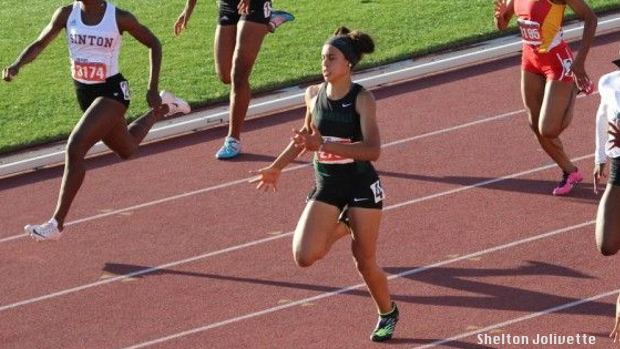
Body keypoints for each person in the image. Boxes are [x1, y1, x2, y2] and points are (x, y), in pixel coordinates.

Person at [250, 27, 399, 342]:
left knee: (364, 260)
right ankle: (345, 222)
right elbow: (306, 139)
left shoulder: (362, 98)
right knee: (304, 255)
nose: (325, 64)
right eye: (322, 58)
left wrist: (326, 147)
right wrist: (276, 167)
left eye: (331, 58)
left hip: (360, 184)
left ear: (348, 63)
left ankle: (387, 312)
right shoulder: (313, 95)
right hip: (327, 184)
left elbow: (373, 150)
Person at [2, 0, 191, 241]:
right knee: (128, 148)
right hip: (85, 93)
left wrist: (151, 87)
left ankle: (56, 224)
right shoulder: (66, 14)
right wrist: (17, 65)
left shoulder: (118, 17)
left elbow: (153, 43)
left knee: (75, 146)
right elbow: (40, 43)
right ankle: (164, 106)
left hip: (112, 92)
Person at [494, 0, 597, 195]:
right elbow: (502, 25)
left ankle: (574, 88)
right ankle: (570, 171)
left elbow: (591, 19)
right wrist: (499, 16)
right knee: (534, 124)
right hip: (530, 59)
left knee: (548, 129)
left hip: (557, 62)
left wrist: (580, 61)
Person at [173, 0, 294, 159]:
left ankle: (233, 139)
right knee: (225, 75)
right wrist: (187, 11)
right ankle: (268, 22)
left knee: (239, 76)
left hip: (254, 4)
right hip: (227, 5)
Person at [591, 52, 620, 342]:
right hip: (619, 171)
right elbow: (602, 114)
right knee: (606, 244)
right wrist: (600, 156)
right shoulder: (609, 83)